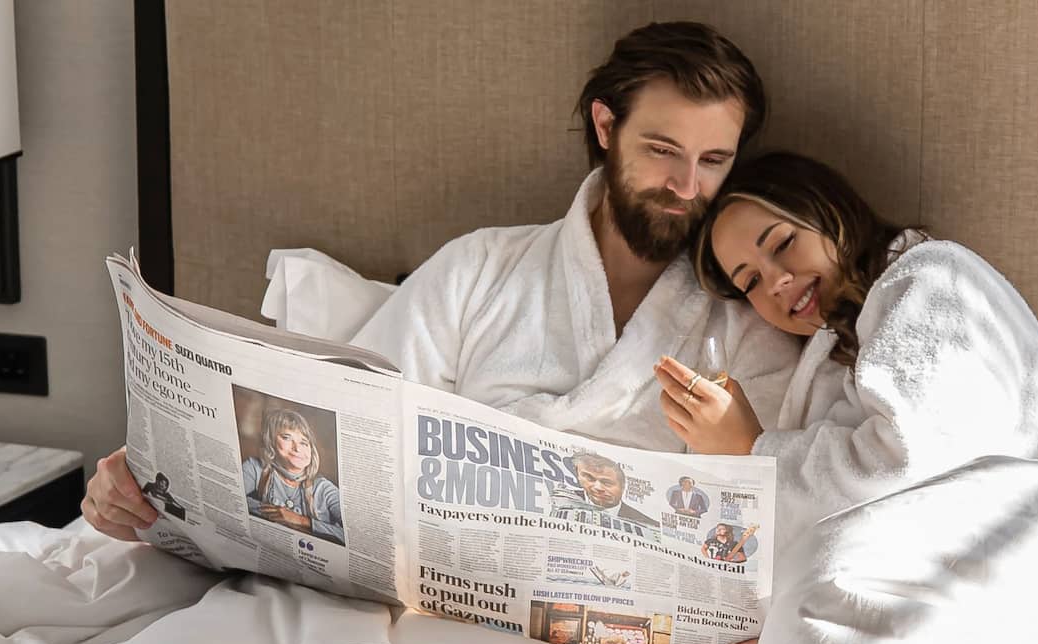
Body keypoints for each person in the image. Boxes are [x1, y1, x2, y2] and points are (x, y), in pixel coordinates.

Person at [82, 22, 801, 541]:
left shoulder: (745, 320)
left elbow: (780, 515)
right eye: (664, 150)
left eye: (713, 161)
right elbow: (340, 429)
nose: (686, 186)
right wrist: (152, 472)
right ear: (607, 127)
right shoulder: (480, 270)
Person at [658, 151, 1038, 644]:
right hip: (946, 594)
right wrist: (788, 636)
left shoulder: (931, 280)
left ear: (829, 211)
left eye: (782, 244)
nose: (776, 282)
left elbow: (906, 468)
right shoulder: (834, 359)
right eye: (750, 281)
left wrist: (751, 448)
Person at [242, 406, 345, 545]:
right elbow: (230, 496)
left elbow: (353, 538)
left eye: (304, 442)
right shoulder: (256, 468)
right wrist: (277, 514)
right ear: (270, 441)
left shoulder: (324, 489)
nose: (297, 448)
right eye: (287, 438)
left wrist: (300, 520)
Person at [550, 452, 659, 535]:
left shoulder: (649, 525)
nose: (597, 488)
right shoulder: (561, 499)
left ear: (622, 487)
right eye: (590, 478)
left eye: (607, 483)